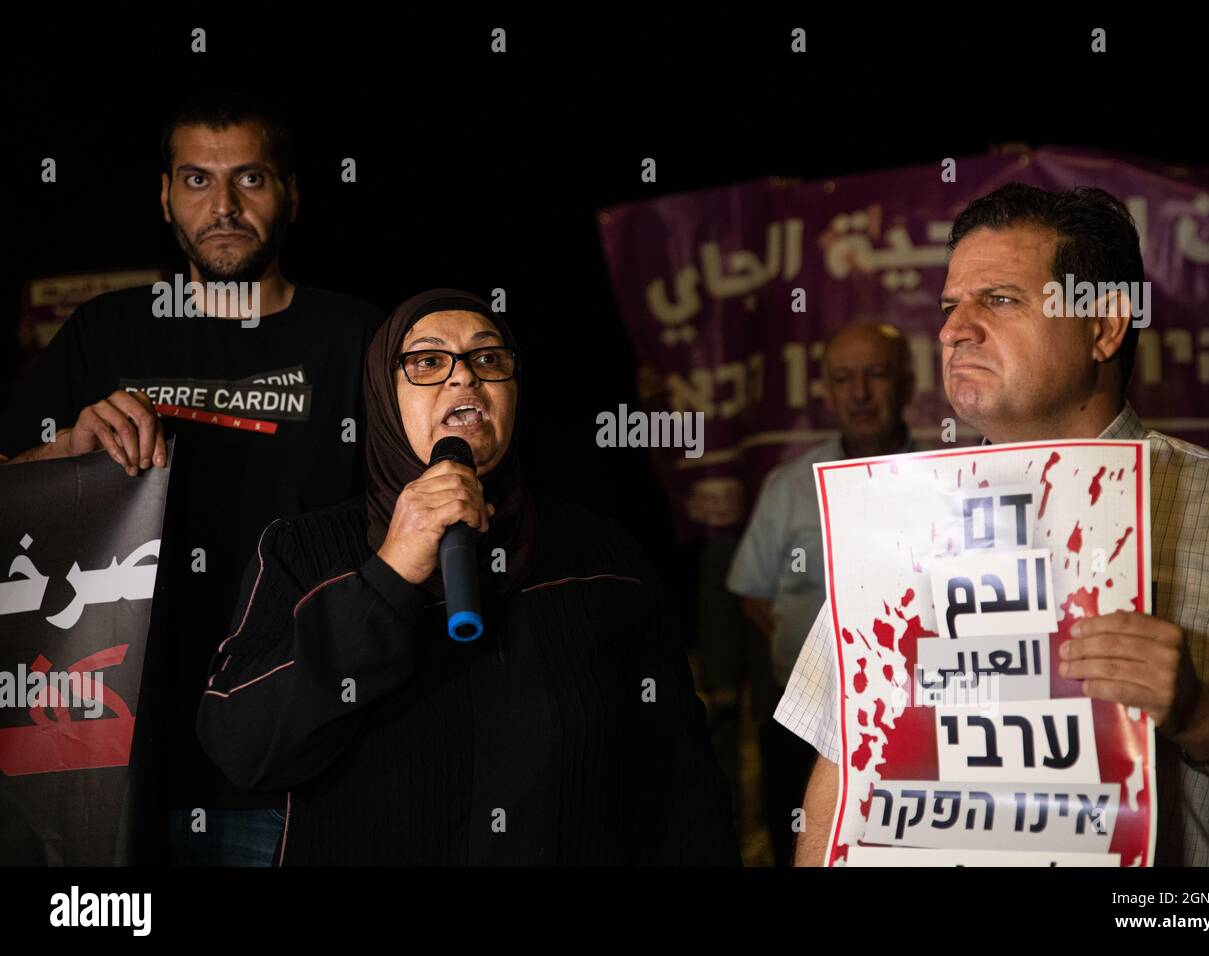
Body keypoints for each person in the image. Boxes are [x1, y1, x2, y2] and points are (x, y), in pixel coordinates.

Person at [779, 183, 1209, 867]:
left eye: (998, 299)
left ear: (1104, 327)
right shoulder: (896, 516)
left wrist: (1201, 718)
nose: (952, 329)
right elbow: (842, 773)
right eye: (948, 306)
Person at [196, 289, 740, 865]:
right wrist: (391, 572)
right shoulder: (303, 552)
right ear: (385, 396)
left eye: (488, 359)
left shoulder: (604, 557)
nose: (464, 379)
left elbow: (681, 785)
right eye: (428, 362)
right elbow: (245, 748)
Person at [0, 92, 384, 865]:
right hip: (101, 769)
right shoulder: (104, 332)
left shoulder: (358, 338)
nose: (225, 205)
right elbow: (9, 487)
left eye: (250, 177)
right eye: (198, 180)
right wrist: (64, 453)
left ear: (292, 194)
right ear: (166, 198)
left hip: (292, 775)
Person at [727, 321, 914, 865]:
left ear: (905, 383)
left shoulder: (943, 481)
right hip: (800, 726)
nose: (859, 394)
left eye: (875, 375)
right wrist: (821, 665)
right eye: (843, 379)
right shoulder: (788, 487)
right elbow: (755, 596)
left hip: (905, 726)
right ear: (827, 391)